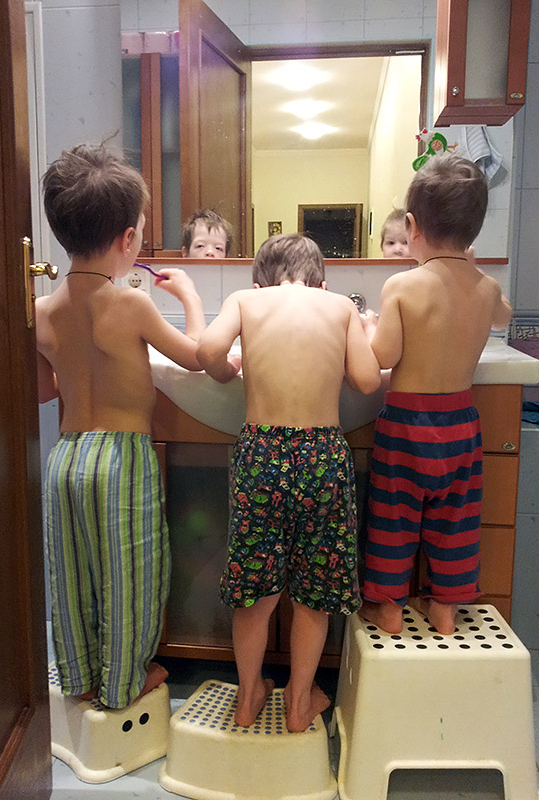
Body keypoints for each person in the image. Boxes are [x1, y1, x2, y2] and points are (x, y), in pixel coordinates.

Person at [36, 142, 205, 709]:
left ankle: (79, 676)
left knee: (73, 572)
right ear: (128, 239)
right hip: (121, 460)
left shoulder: (41, 310)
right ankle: (124, 682)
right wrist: (190, 298)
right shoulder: (130, 304)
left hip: (65, 459)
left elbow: (42, 390)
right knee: (131, 574)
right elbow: (196, 357)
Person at [196, 234, 381, 732]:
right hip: (322, 455)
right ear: (321, 284)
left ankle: (247, 697)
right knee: (314, 589)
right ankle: (299, 703)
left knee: (255, 589)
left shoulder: (246, 301)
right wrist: (359, 335)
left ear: (261, 283)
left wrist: (228, 368)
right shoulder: (339, 306)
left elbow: (208, 350)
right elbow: (368, 381)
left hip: (261, 454)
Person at [359, 154, 512, 636]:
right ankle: (445, 608)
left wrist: (368, 328)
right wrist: (473, 267)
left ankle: (388, 609)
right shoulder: (487, 288)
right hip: (461, 424)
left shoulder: (403, 285)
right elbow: (504, 317)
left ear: (412, 226)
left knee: (394, 520)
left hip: (406, 426)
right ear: (474, 231)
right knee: (455, 523)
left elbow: (383, 356)